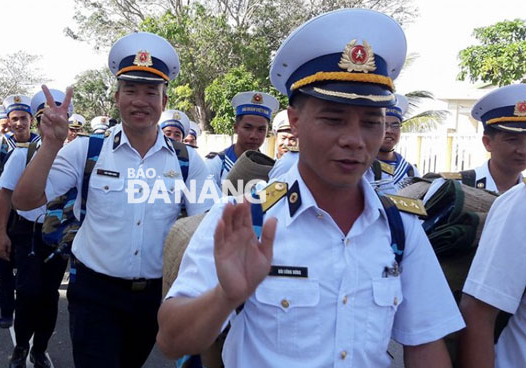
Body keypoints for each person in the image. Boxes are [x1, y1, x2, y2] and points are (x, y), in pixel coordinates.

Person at [157, 8, 464, 367]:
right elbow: (172, 341)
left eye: (371, 122)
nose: (354, 140)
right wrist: (225, 296)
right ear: (296, 121)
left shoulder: (402, 228)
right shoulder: (244, 218)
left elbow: (425, 344)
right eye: (333, 119)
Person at [11, 31, 217, 368]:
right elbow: (26, 201)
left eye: (151, 92)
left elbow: (205, 227)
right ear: (117, 98)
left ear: (164, 103)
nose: (140, 100)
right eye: (131, 90)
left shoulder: (188, 162)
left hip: (154, 297)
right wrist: (49, 144)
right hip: (95, 293)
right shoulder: (86, 150)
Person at [0, 88, 71, 368]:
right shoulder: (24, 155)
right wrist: (1, 233)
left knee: (49, 296)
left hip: (57, 236)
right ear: (39, 121)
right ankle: (20, 347)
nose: (52, 122)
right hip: (27, 235)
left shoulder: (74, 158)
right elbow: (5, 194)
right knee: (28, 293)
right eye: (44, 117)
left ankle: (40, 349)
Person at [455, 84, 526, 368]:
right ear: (488, 142)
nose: (522, 149)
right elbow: (476, 312)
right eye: (511, 139)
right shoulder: (457, 186)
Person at [205, 91, 279, 188]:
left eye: (261, 129)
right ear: (236, 127)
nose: (254, 136)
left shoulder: (270, 170)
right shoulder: (216, 165)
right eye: (248, 128)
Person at [376, 94, 420, 194]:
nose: (389, 130)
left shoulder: (410, 172)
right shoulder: (362, 168)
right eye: (384, 124)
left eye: (395, 125)